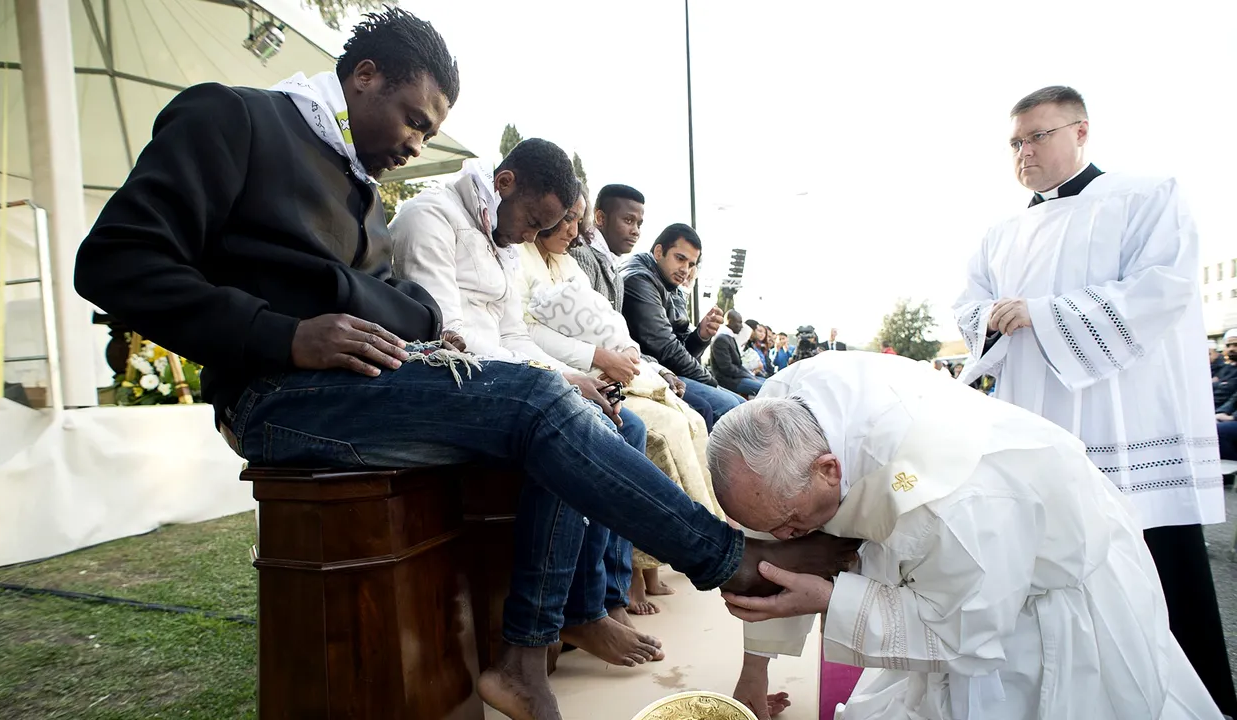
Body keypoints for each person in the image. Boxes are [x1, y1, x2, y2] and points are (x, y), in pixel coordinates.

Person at [71, 10, 859, 719]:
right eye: (412, 119)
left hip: (356, 382)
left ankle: (525, 655)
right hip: (277, 394)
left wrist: (424, 333)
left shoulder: (357, 185)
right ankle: (728, 562)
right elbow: (113, 264)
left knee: (568, 412)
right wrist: (285, 335)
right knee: (536, 402)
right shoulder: (232, 117)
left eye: (427, 129)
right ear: (363, 76)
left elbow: (386, 300)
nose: (417, 144)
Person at [713, 352, 1223, 720]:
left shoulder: (952, 499)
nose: (782, 537)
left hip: (1031, 602)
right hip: (952, 570)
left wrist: (830, 598)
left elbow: (964, 631)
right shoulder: (778, 416)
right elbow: (770, 524)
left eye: (791, 524)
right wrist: (755, 667)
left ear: (829, 469)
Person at [952, 85, 1234, 714]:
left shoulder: (1146, 196)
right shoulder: (1002, 232)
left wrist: (1046, 314)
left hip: (1126, 421)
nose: (1024, 152)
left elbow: (1161, 290)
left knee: (1153, 567)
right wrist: (990, 320)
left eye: (1038, 136)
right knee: (1056, 568)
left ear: (1081, 132)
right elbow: (969, 306)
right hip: (1038, 416)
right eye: (1016, 142)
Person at [386, 142, 665, 668]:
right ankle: (564, 617)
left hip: (509, 379)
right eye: (534, 222)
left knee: (620, 425)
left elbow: (515, 335)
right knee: (570, 425)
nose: (531, 238)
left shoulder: (506, 244)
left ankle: (592, 605)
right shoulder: (429, 217)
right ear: (505, 183)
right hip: (453, 383)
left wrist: (580, 377)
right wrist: (560, 379)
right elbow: (450, 339)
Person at [517, 185, 724, 617]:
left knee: (690, 419)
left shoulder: (574, 262)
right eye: (564, 217)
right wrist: (602, 358)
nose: (571, 230)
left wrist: (628, 354)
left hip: (614, 372)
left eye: (576, 219)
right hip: (568, 376)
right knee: (646, 428)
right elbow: (521, 332)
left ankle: (697, 543)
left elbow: (616, 326)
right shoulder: (521, 256)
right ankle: (619, 588)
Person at [569, 184, 705, 426]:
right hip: (595, 372)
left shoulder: (614, 268)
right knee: (682, 418)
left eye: (639, 224)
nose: (636, 231)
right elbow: (586, 333)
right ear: (600, 218)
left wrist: (661, 368)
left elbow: (624, 340)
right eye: (628, 220)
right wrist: (661, 369)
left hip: (627, 369)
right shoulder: (585, 257)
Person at [622, 224, 744, 426]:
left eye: (690, 264)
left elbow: (680, 347)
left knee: (740, 404)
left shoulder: (670, 282)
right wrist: (711, 381)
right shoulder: (639, 280)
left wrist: (700, 336)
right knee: (732, 407)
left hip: (669, 370)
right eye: (680, 258)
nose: (685, 270)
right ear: (659, 252)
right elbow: (667, 350)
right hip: (649, 372)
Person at [711, 310, 765, 398]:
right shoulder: (721, 339)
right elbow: (727, 368)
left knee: (767, 383)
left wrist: (749, 375)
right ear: (730, 321)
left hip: (737, 378)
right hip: (729, 381)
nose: (741, 326)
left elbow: (738, 364)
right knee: (764, 388)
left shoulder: (729, 338)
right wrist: (748, 376)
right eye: (739, 322)